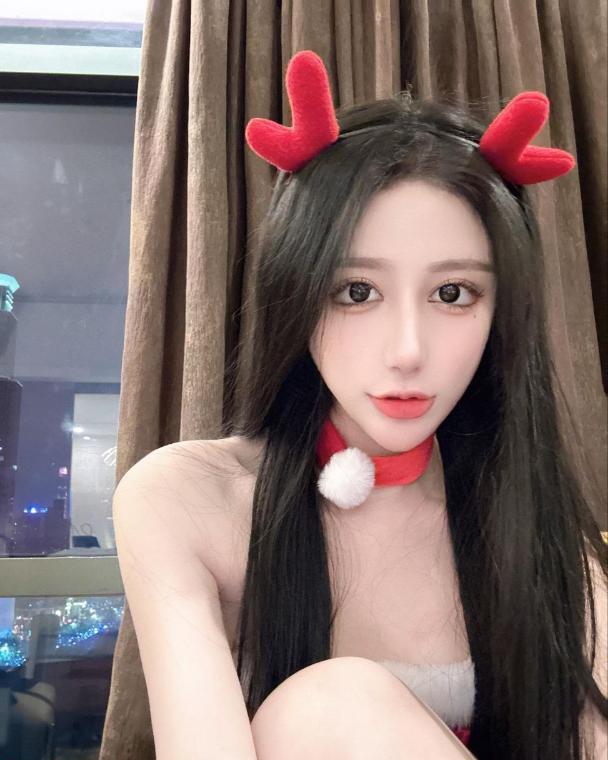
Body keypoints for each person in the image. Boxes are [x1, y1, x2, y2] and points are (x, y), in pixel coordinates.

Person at [112, 50, 607, 760]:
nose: (407, 350)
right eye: (356, 292)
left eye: (453, 294)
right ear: (296, 293)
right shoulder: (190, 499)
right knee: (327, 709)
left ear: (503, 312)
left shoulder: (528, 512)